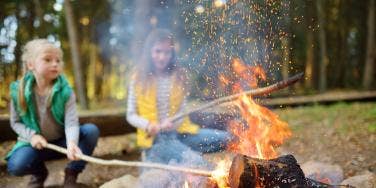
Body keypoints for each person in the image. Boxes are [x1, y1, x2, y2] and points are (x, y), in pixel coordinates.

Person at [126, 29, 230, 164]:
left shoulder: (180, 76)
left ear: (172, 53)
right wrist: (148, 125)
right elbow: (131, 114)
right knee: (196, 162)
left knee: (229, 138)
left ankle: (180, 151)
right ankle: (177, 154)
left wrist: (173, 123)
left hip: (183, 133)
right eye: (158, 51)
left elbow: (182, 110)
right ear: (149, 52)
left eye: (167, 52)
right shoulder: (138, 78)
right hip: (155, 140)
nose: (162, 57)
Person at [6, 39, 99, 188]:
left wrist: (72, 143)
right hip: (36, 146)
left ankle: (71, 174)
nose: (55, 64)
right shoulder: (18, 91)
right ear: (31, 65)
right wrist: (32, 136)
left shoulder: (65, 91)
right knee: (16, 166)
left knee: (91, 131)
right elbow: (15, 122)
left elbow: (71, 122)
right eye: (47, 59)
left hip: (62, 143)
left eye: (58, 60)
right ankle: (39, 173)